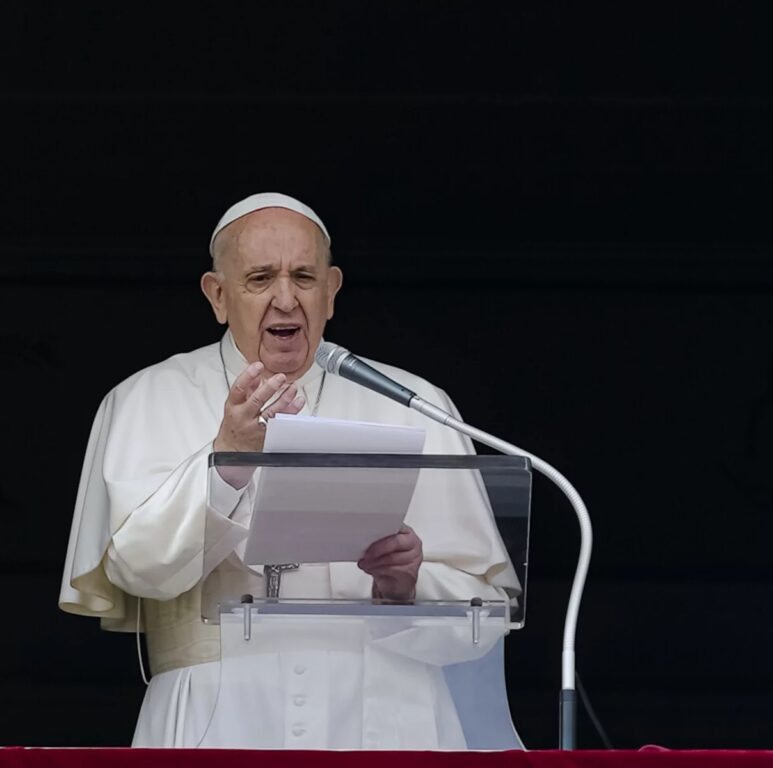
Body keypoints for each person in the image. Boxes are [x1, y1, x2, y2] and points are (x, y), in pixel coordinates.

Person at [58, 193, 519, 749]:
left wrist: (406, 586)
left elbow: (485, 619)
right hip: (215, 720)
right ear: (218, 295)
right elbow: (139, 570)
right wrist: (226, 459)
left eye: (304, 276)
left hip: (388, 723)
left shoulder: (413, 402)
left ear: (332, 291)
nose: (285, 298)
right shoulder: (147, 398)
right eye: (259, 278)